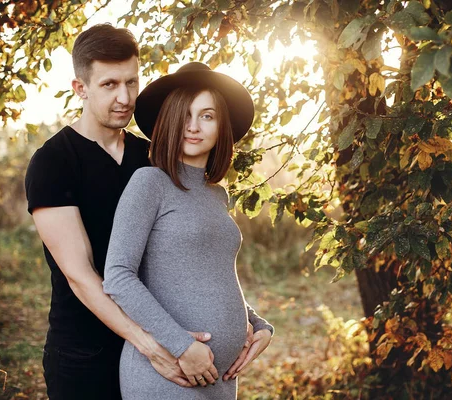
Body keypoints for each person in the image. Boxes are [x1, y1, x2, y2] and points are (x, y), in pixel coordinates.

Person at [25, 24, 213, 400]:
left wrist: (250, 320)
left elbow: (194, 250)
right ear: (81, 88)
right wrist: (152, 345)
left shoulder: (155, 156)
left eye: (132, 82)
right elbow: (82, 277)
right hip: (84, 354)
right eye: (110, 84)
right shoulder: (53, 162)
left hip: (162, 340)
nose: (125, 97)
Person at [102, 61, 274, 399]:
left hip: (222, 378)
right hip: (170, 374)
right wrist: (182, 346)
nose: (193, 127)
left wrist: (257, 325)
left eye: (207, 116)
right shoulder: (150, 183)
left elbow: (212, 275)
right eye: (184, 115)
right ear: (168, 122)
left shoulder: (217, 194)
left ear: (221, 126)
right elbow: (118, 276)